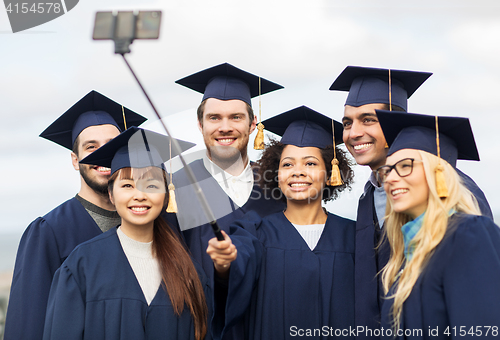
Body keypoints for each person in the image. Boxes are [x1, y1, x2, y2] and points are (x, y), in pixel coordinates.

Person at [329, 66, 493, 336]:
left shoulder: (457, 192)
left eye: (368, 119)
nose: (352, 133)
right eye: (347, 123)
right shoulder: (367, 198)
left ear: (396, 124)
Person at [43, 126, 212, 340]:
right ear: (111, 195)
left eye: (151, 185)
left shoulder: (188, 270)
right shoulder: (81, 265)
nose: (139, 196)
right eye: (127, 185)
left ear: (166, 194)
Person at [5, 90, 147, 340]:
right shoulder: (49, 231)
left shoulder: (150, 222)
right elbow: (29, 320)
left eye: (113, 144)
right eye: (91, 146)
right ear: (74, 159)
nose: (103, 154)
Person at [207, 106, 356, 340]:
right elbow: (236, 269)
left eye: (310, 164)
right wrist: (224, 264)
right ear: (276, 174)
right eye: (287, 165)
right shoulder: (254, 233)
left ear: (330, 174)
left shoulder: (355, 236)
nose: (297, 172)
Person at [374, 110, 500, 338]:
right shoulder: (405, 259)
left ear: (439, 173)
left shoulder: (469, 234)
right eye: (387, 170)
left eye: (405, 166)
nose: (391, 178)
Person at [172, 62, 286, 278]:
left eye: (236, 117)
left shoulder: (277, 184)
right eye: (214, 118)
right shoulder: (176, 186)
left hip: (269, 308)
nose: (225, 127)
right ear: (200, 124)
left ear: (253, 124)